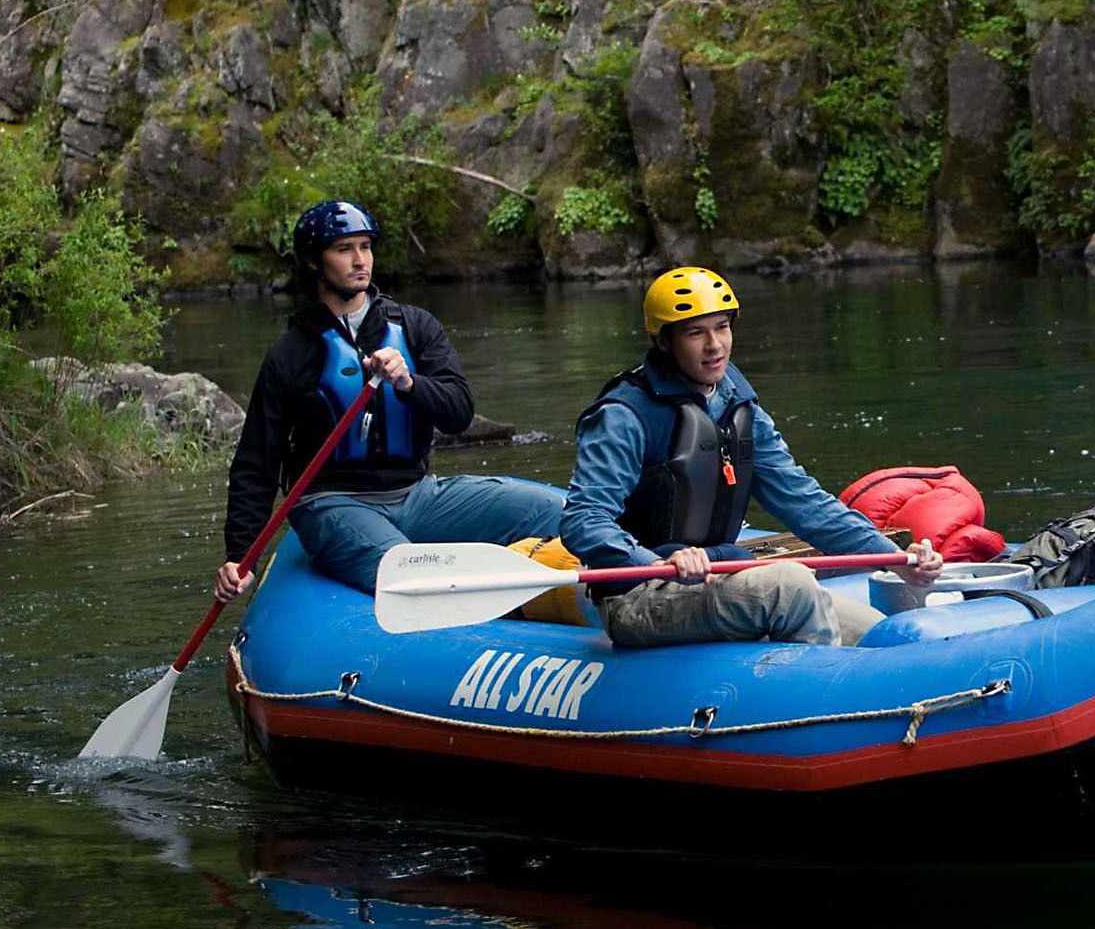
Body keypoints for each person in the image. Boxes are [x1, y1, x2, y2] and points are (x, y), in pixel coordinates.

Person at [560, 266, 942, 647]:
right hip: (639, 595)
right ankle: (818, 694)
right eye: (696, 333)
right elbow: (583, 519)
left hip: (721, 573)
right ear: (664, 342)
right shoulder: (624, 415)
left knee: (877, 632)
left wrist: (892, 559)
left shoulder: (737, 404)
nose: (715, 345)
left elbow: (803, 502)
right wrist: (652, 563)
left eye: (722, 327)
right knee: (789, 584)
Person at [215, 200, 562, 601]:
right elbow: (256, 465)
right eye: (344, 249)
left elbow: (458, 413)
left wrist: (409, 382)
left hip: (417, 496)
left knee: (552, 511)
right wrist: (241, 558)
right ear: (314, 261)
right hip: (333, 505)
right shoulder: (290, 355)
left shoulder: (414, 326)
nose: (360, 260)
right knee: (410, 575)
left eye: (365, 247)